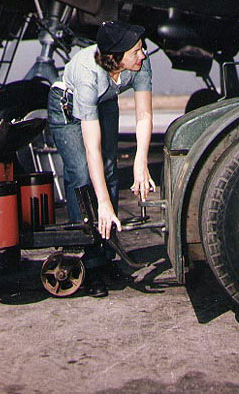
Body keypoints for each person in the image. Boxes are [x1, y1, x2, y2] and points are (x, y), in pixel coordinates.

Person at [47, 20, 155, 296]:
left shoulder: (140, 64)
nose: (142, 54)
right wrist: (103, 204)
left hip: (105, 101)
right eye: (136, 51)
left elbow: (143, 115)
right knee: (82, 175)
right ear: (115, 58)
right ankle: (87, 261)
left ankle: (106, 254)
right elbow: (91, 146)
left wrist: (140, 163)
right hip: (67, 109)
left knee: (109, 170)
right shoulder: (87, 72)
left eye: (142, 49)